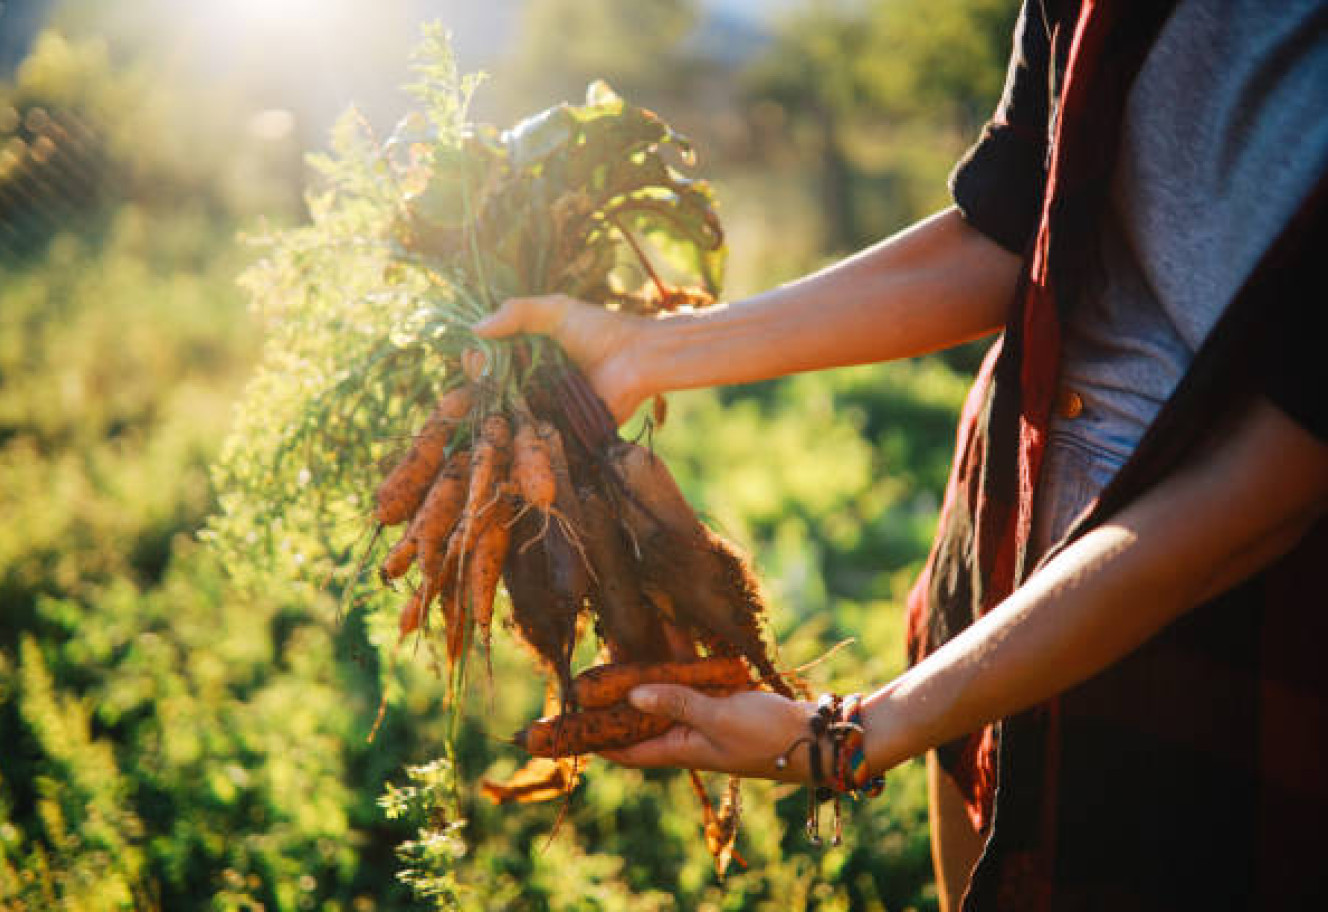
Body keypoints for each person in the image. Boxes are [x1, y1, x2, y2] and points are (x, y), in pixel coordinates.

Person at [476, 0, 1328, 907]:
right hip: (1007, 511)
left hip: (1222, 626)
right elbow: (1009, 223)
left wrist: (850, 733)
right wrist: (645, 352)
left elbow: (1275, 470)